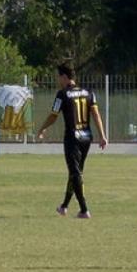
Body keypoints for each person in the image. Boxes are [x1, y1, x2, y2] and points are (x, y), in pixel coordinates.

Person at [36, 64, 108, 219]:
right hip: (87, 137)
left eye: (58, 77)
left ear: (64, 77)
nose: (57, 80)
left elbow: (53, 115)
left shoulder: (62, 94)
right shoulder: (89, 92)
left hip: (72, 138)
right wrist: (102, 135)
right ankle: (64, 206)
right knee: (76, 173)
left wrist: (42, 128)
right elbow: (96, 114)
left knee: (75, 173)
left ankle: (84, 209)